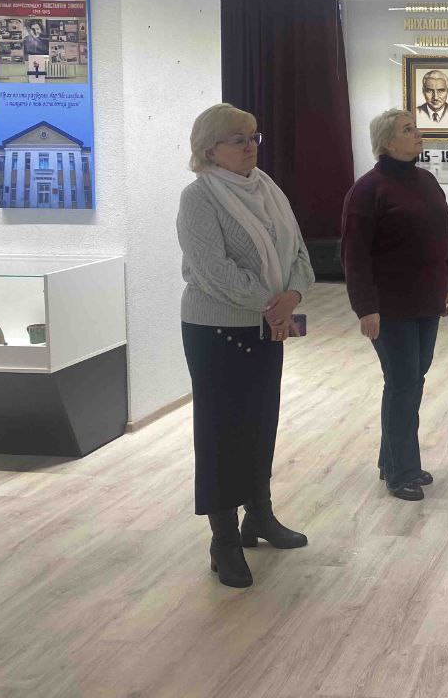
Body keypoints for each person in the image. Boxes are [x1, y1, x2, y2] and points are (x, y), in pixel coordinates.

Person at [177, 103, 315, 589]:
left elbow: (298, 251)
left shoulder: (267, 187)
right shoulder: (199, 198)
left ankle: (259, 516)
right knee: (221, 433)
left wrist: (293, 295)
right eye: (238, 139)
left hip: (266, 325)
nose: (250, 145)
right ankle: (224, 540)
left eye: (254, 136)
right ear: (209, 148)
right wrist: (271, 303)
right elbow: (212, 270)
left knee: (261, 423)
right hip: (217, 331)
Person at [341, 110, 448, 502]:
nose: (418, 133)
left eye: (416, 127)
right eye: (408, 129)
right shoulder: (367, 190)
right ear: (388, 142)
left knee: (412, 380)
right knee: (404, 382)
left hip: (427, 300)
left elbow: (442, 236)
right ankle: (400, 471)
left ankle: (390, 458)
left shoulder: (426, 181)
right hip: (390, 306)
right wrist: (365, 307)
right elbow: (354, 255)